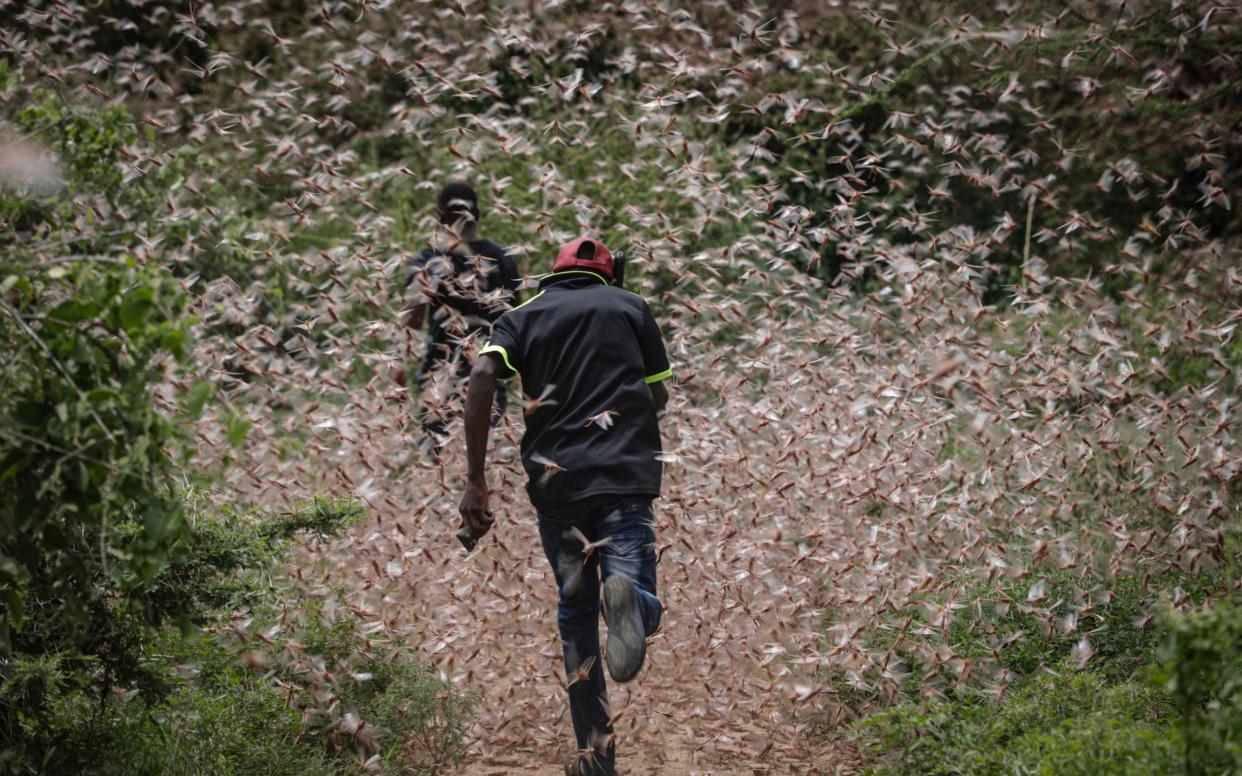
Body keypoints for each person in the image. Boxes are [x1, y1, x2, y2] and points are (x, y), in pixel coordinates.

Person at [458, 237, 672, 776]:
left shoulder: (522, 316)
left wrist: (476, 481)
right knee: (632, 589)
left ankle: (595, 758)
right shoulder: (630, 307)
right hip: (624, 477)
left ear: (552, 275)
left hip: (558, 490)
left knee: (576, 614)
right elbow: (659, 396)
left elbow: (482, 377)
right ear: (608, 274)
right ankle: (633, 605)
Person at [400, 182, 520, 454]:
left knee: (437, 461)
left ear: (439, 216)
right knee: (487, 457)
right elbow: (517, 319)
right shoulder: (502, 258)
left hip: (440, 377)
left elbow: (413, 322)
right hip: (490, 373)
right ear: (478, 215)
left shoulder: (430, 260)